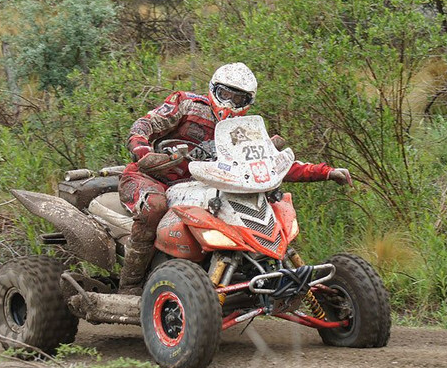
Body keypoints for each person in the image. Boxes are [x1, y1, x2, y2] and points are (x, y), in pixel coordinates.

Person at [117, 62, 352, 294]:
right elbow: (145, 124)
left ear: (248, 102)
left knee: (254, 205)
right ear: (213, 89)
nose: (229, 103)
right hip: (152, 177)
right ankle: (130, 285)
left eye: (238, 99)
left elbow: (270, 162)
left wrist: (326, 171)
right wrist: (143, 150)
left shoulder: (244, 130)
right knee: (154, 208)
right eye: (224, 94)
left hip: (199, 187)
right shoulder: (187, 105)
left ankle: (250, 276)